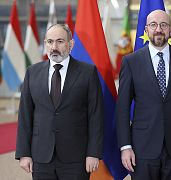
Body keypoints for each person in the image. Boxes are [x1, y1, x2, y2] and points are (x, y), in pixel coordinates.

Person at [116, 10, 171, 180]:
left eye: (163, 25)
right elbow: (122, 109)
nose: (158, 29)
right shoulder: (131, 62)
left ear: (170, 30)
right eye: (153, 25)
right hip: (142, 148)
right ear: (146, 30)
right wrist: (125, 146)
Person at [15, 24, 104, 180]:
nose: (54, 47)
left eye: (60, 41)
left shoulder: (88, 72)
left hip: (76, 158)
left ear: (71, 44)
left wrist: (93, 153)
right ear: (45, 43)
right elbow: (25, 116)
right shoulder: (32, 73)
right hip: (41, 157)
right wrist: (24, 153)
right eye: (50, 42)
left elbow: (96, 115)